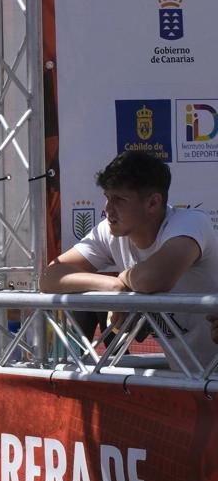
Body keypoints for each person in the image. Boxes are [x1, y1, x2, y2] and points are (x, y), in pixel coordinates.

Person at [40, 151, 217, 372]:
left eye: (119, 200)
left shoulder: (191, 223)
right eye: (107, 197)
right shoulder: (109, 231)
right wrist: (113, 288)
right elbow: (50, 276)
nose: (107, 209)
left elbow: (155, 278)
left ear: (153, 203)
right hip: (192, 379)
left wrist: (123, 279)